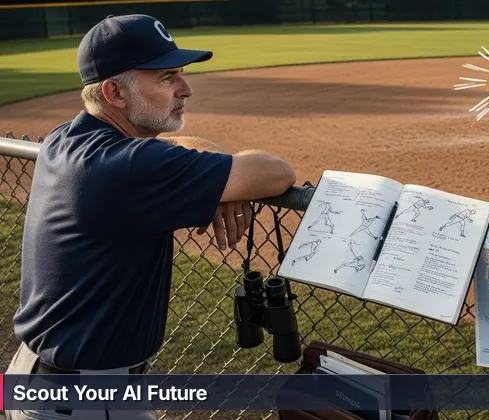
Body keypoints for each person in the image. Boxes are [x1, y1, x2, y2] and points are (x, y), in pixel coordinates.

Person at [5, 13, 296, 418]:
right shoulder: (129, 169)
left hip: (46, 381)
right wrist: (226, 173)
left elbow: (169, 145)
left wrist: (212, 162)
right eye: (166, 77)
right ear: (115, 94)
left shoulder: (67, 138)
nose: (186, 89)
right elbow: (278, 172)